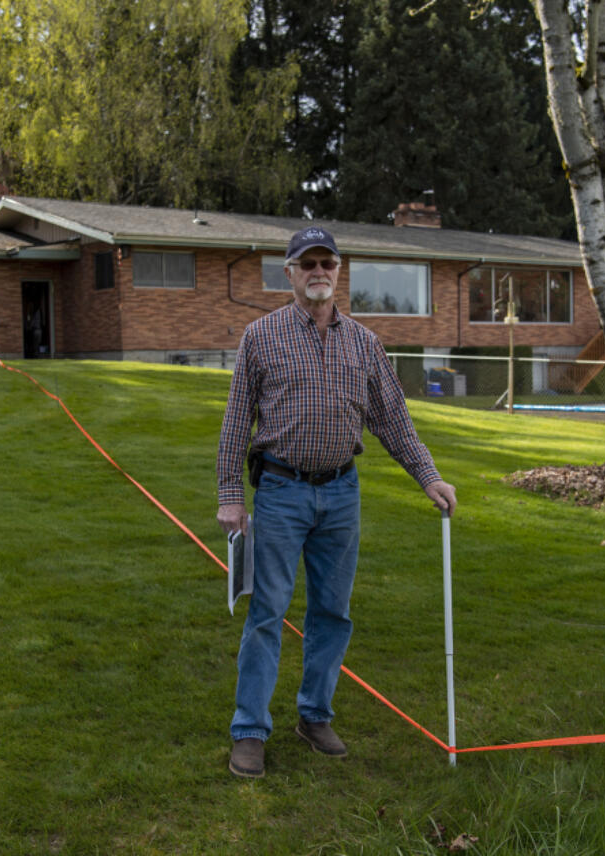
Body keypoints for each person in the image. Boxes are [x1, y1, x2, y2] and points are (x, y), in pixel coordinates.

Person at [216, 225, 457, 779]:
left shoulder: (366, 344)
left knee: (333, 613)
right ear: (290, 273)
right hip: (279, 491)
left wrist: (429, 476)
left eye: (327, 263)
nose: (318, 272)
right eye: (307, 264)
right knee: (267, 614)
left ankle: (315, 715)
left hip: (342, 494)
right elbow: (235, 424)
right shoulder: (261, 337)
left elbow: (393, 419)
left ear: (338, 270)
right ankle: (249, 730)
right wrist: (231, 495)